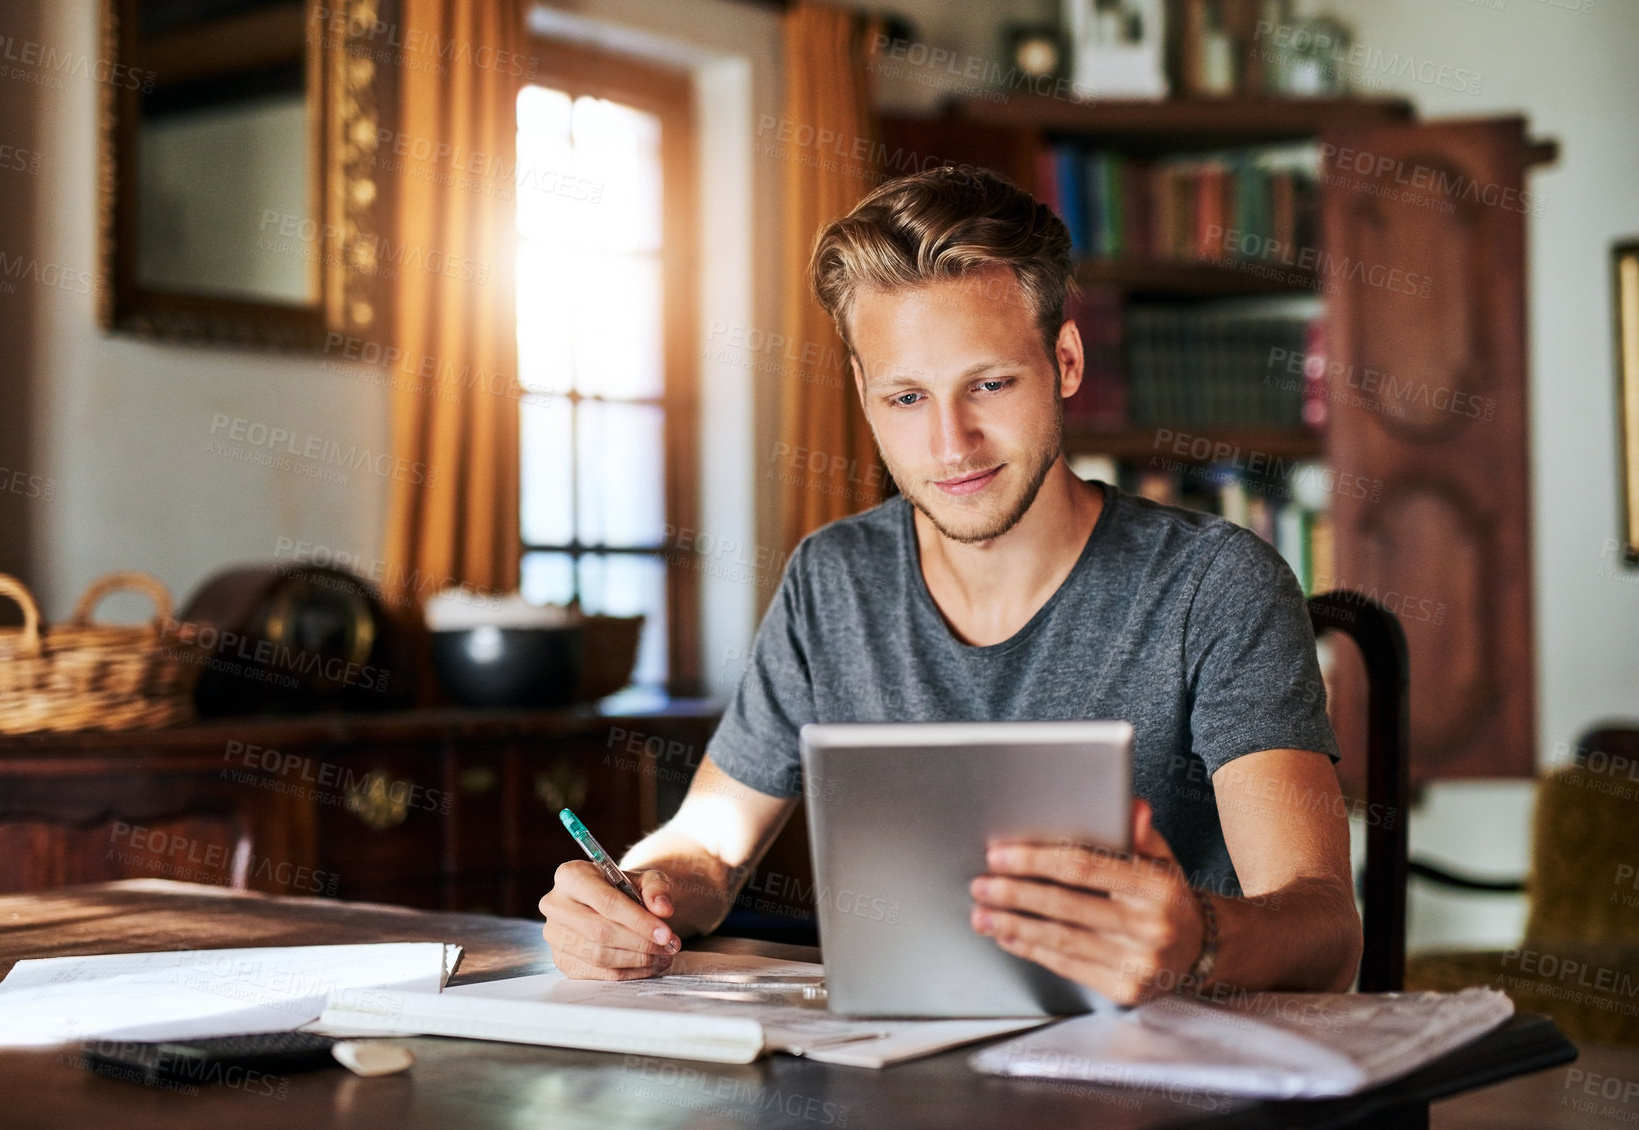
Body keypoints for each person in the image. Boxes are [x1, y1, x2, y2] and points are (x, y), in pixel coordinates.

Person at [540, 165, 1362, 1004]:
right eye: (905, 396)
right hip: (897, 1086)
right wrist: (638, 894)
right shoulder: (832, 578)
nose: (950, 444)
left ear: (1065, 360)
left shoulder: (1216, 584)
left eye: (990, 384)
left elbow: (1326, 930)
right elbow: (708, 845)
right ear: (864, 394)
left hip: (1167, 1089)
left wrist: (1199, 940)